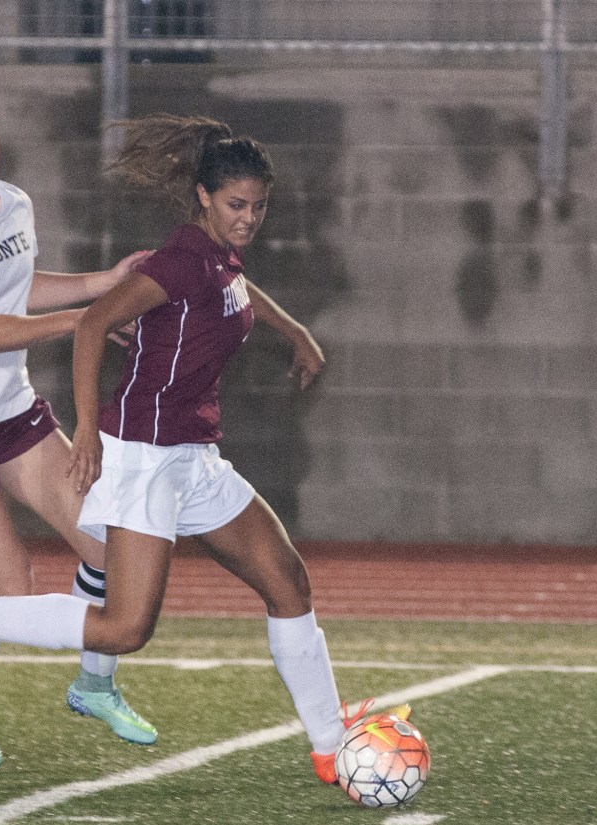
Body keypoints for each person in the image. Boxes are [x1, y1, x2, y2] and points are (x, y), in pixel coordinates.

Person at [67, 113, 410, 783]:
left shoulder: (223, 255)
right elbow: (92, 322)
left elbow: (238, 289)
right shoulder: (180, 260)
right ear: (203, 197)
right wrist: (83, 426)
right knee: (124, 626)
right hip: (145, 451)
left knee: (288, 580)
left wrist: (294, 329)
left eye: (258, 205)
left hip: (192, 453)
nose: (250, 217)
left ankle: (327, 745)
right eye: (236, 205)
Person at [0, 84, 156, 771]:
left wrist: (106, 281)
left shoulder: (13, 203)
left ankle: (93, 685)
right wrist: (88, 321)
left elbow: (19, 287)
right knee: (10, 586)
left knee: (105, 542)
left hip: (13, 411)